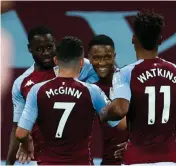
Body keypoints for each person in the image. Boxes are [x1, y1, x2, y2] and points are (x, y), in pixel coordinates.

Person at [99, 10, 176, 165]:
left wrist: (104, 113)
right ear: (160, 40)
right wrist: (163, 121)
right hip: (169, 159)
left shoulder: (125, 73)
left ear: (133, 39)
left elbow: (119, 109)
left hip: (136, 158)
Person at [15, 36, 118, 165]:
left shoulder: (37, 90)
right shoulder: (92, 91)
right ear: (81, 62)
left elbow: (20, 133)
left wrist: (26, 143)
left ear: (56, 60)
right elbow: (120, 123)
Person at [88, 34, 128, 165]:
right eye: (97, 58)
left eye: (107, 57)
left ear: (114, 56)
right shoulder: (89, 88)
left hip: (134, 160)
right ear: (89, 58)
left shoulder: (129, 82)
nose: (102, 63)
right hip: (109, 161)